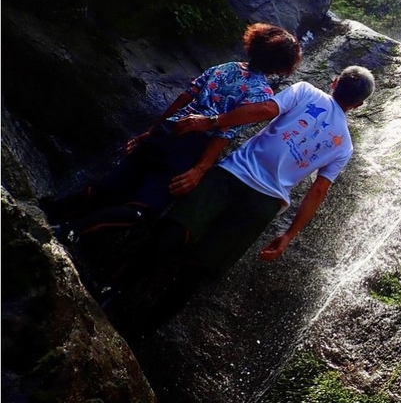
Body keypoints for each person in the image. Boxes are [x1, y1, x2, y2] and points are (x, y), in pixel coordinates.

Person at [106, 65, 375, 341]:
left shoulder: (305, 91)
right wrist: (289, 235)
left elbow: (265, 111)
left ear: (334, 82)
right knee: (199, 268)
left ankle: (112, 292)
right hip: (265, 203)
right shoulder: (344, 145)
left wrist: (211, 121)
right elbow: (318, 190)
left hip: (233, 175)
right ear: (358, 105)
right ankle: (141, 334)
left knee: (175, 231)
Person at [44, 23, 302, 245]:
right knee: (141, 211)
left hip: (167, 132)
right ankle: (69, 231)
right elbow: (223, 133)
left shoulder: (225, 67)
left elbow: (184, 97)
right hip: (188, 149)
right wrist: (199, 170)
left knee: (109, 188)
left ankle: (47, 211)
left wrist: (152, 131)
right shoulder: (261, 95)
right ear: (281, 67)